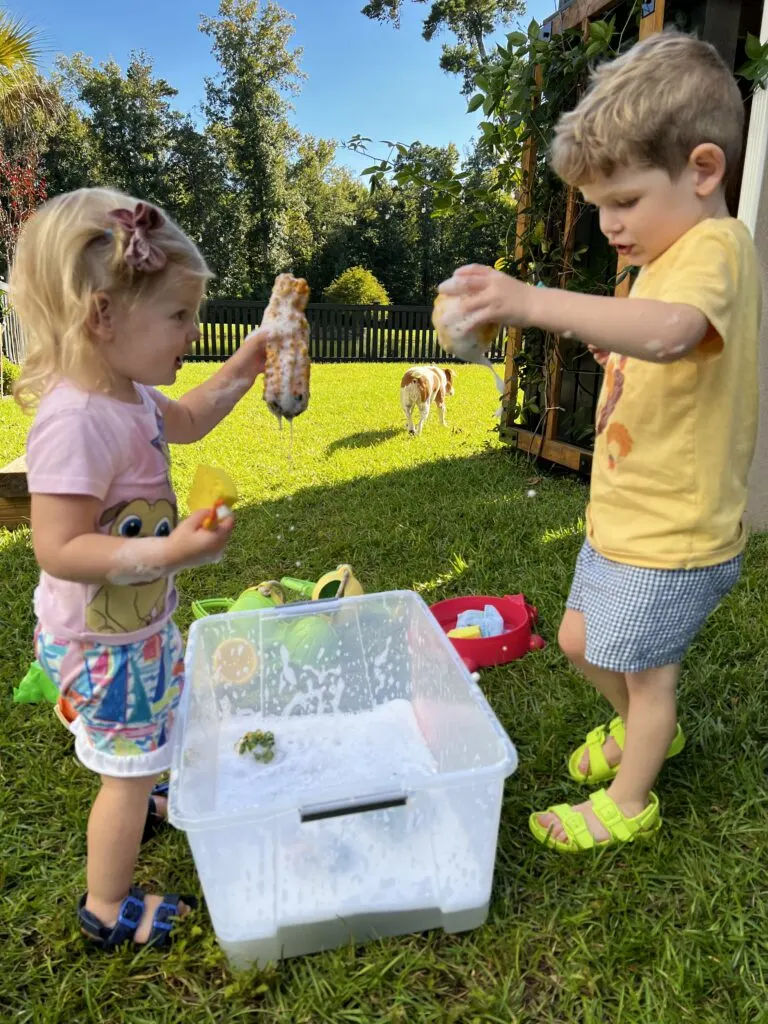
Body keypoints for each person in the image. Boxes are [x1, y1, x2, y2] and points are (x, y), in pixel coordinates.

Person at [439, 31, 760, 852]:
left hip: (676, 530)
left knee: (650, 678)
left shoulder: (716, 248)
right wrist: (614, 349)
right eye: (597, 207)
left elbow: (675, 331)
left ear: (702, 170)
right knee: (583, 641)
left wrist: (535, 301)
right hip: (628, 514)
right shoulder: (668, 254)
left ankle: (631, 795)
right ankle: (644, 732)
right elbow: (661, 347)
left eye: (622, 201)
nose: (608, 224)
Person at [12, 188, 270, 943]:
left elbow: (186, 419)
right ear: (102, 316)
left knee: (152, 739)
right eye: (179, 316)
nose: (192, 331)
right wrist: (169, 550)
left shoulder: (129, 395)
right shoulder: (75, 420)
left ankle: (150, 789)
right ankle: (105, 909)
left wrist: (245, 365)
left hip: (137, 630)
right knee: (123, 778)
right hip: (100, 645)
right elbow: (58, 547)